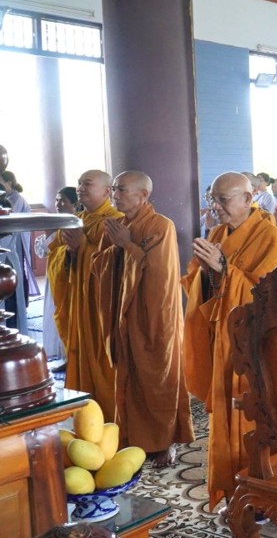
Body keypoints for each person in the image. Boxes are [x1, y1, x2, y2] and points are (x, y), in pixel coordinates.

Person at [181, 171, 277, 508]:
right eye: (212, 199)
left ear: (248, 198)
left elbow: (272, 294)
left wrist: (225, 270)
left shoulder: (268, 236)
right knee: (224, 412)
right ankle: (232, 486)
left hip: (255, 346)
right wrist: (209, 274)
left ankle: (262, 491)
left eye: (223, 199)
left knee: (253, 414)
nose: (215, 206)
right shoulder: (216, 233)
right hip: (223, 339)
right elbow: (198, 283)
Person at [92, 172, 195, 468]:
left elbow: (160, 275)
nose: (115, 196)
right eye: (114, 190)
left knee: (157, 377)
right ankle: (132, 436)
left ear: (143, 195)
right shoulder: (118, 226)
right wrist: (118, 246)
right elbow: (100, 265)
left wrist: (127, 245)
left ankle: (162, 442)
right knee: (130, 375)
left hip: (154, 315)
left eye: (121, 190)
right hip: (125, 313)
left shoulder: (161, 225)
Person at [47, 170, 125, 419]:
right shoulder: (74, 222)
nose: (80, 188)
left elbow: (118, 267)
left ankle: (111, 418)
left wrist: (84, 247)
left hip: (103, 308)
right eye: (79, 183)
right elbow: (54, 256)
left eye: (87, 184)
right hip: (78, 305)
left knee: (105, 361)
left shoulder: (116, 221)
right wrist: (69, 252)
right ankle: (84, 418)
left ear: (107, 191)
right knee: (80, 356)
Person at [37, 186, 78, 362]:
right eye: (57, 200)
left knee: (69, 314)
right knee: (54, 312)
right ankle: (63, 356)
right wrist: (49, 235)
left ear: (75, 204)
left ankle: (71, 357)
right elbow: (43, 252)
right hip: (54, 274)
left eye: (63, 201)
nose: (58, 204)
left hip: (69, 275)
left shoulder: (77, 223)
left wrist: (54, 240)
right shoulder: (55, 223)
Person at [0, 170, 38, 331]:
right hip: (10, 250)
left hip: (11, 250)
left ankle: (13, 327)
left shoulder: (13, 200)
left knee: (11, 292)